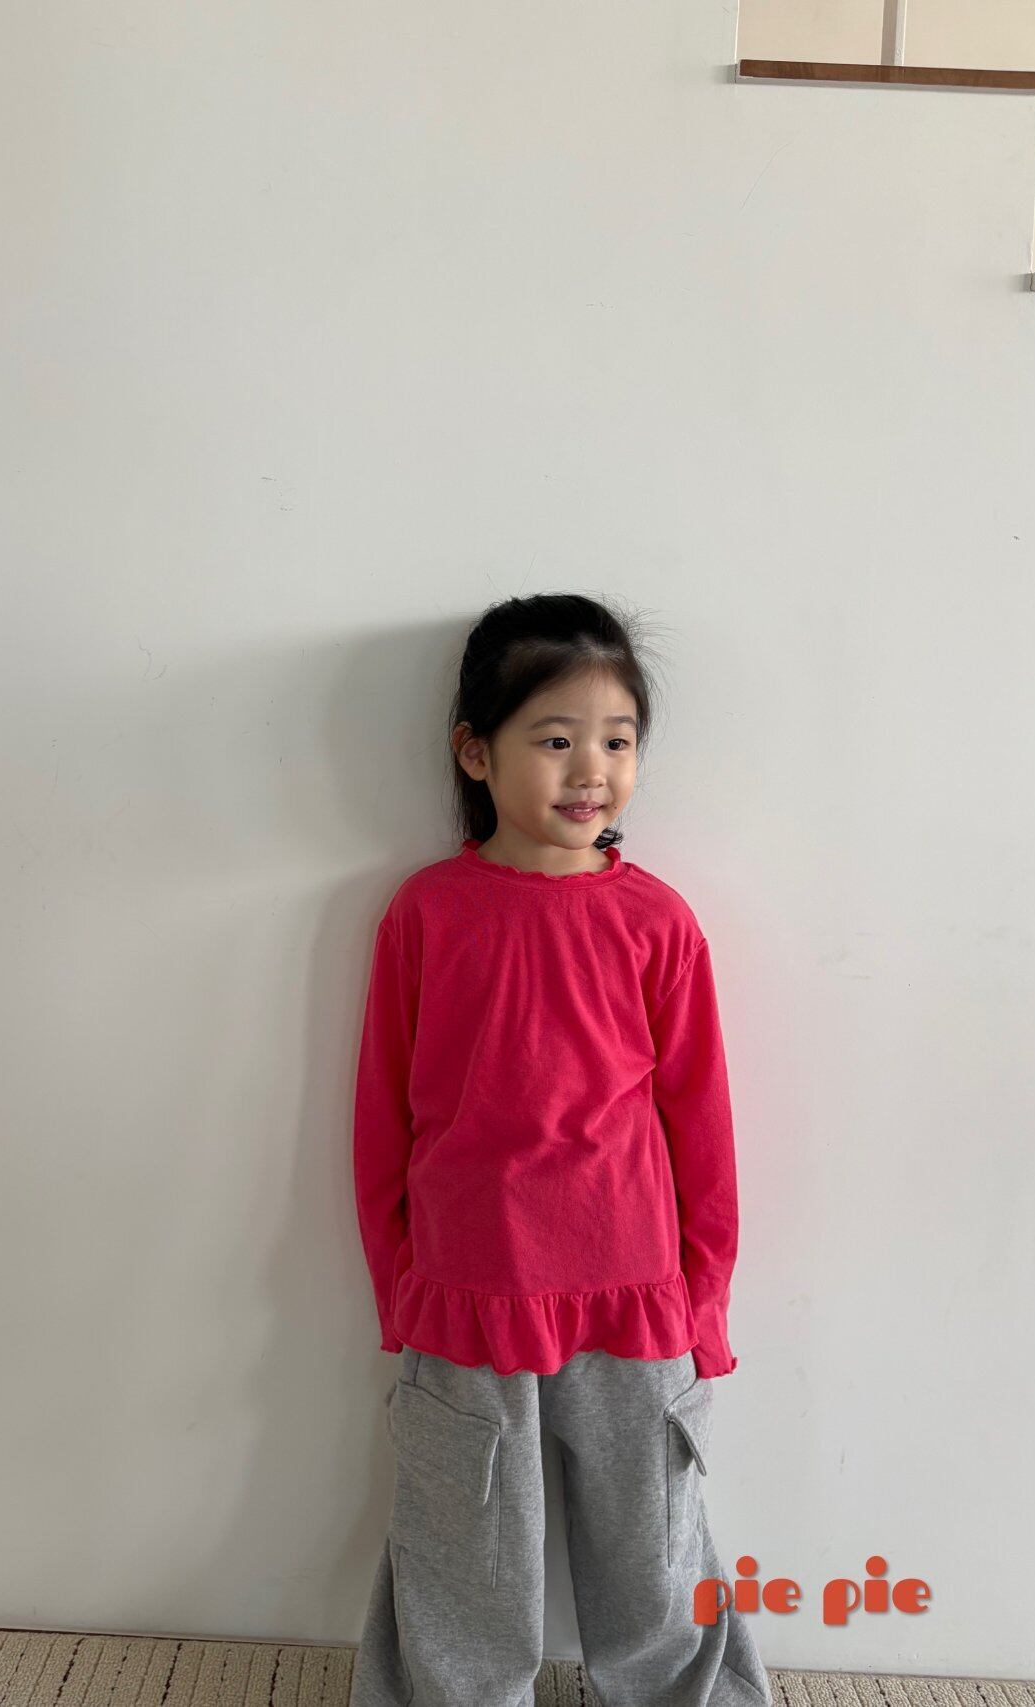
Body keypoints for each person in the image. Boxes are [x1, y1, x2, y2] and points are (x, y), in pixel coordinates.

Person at [348, 592, 773, 1707]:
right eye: (555, 740)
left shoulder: (657, 923)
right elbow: (381, 1121)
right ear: (474, 752)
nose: (592, 770)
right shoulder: (426, 916)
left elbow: (701, 1126)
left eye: (617, 741)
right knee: (462, 1563)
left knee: (654, 1563)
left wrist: (704, 1302)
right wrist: (401, 1288)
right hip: (468, 1297)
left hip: (636, 1301)